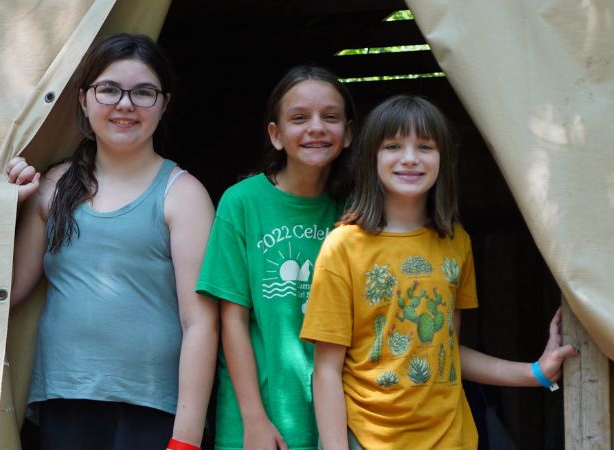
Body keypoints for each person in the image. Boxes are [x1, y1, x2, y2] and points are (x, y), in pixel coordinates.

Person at [299, 95, 579, 449]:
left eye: (425, 146)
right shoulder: (343, 246)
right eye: (394, 146)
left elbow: (445, 350)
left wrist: (535, 372)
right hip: (368, 440)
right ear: (372, 157)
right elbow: (325, 370)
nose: (411, 158)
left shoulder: (455, 241)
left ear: (442, 159)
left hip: (452, 438)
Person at [3, 33, 217, 450]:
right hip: (63, 398)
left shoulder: (183, 193)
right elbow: (4, 294)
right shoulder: (53, 186)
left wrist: (186, 438)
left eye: (143, 92)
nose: (125, 104)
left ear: (164, 104)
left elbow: (201, 323)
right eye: (109, 90)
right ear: (83, 99)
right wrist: (6, 205)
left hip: (153, 408)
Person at [200, 65, 357, 450]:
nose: (316, 127)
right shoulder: (242, 202)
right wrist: (253, 419)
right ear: (276, 134)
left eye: (330, 117)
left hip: (345, 419)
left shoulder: (359, 208)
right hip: (260, 418)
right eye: (299, 118)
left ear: (348, 133)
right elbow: (232, 319)